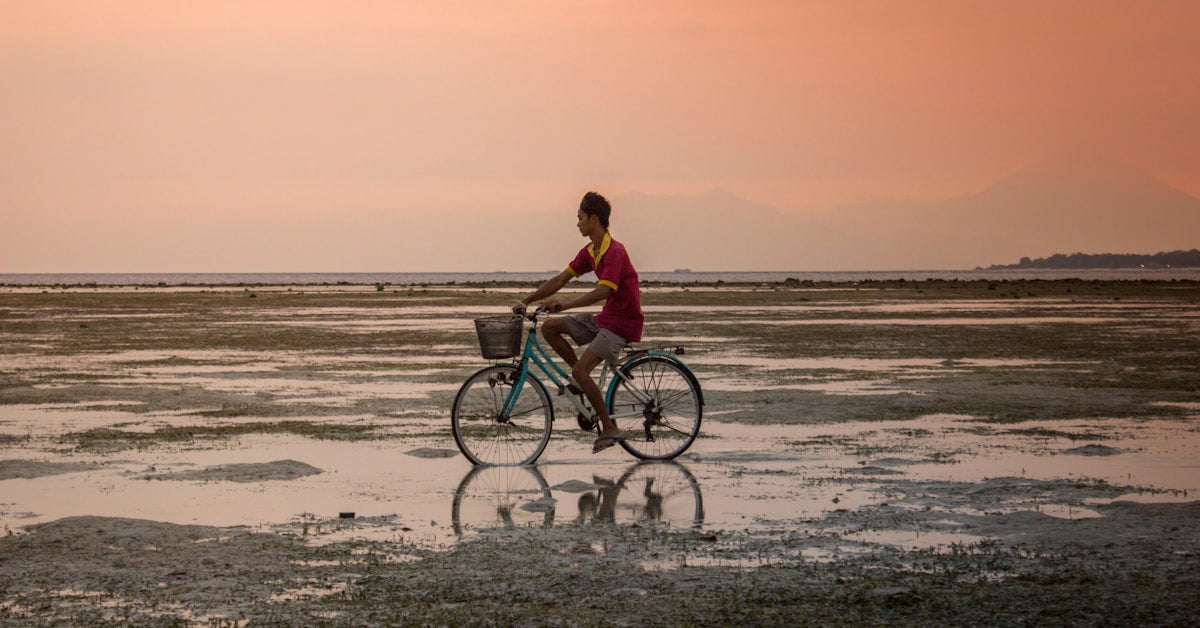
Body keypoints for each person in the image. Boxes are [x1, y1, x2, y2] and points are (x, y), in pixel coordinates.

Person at [515, 192, 643, 454]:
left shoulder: (615, 252)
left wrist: (565, 305)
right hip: (605, 319)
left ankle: (609, 428)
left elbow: (601, 292)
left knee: (582, 371)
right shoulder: (591, 251)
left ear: (593, 219)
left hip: (622, 325)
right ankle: (579, 381)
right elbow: (560, 279)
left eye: (580, 218)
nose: (577, 224)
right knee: (549, 328)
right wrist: (527, 300)